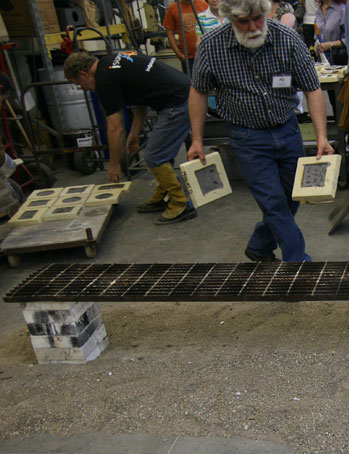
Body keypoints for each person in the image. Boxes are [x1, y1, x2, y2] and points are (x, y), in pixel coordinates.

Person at [187, 0, 333, 262]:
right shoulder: (212, 45)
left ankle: (259, 245)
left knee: (291, 198)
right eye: (244, 22)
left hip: (287, 130)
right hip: (248, 137)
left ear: (267, 13)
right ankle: (298, 263)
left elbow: (312, 88)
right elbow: (198, 91)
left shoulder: (287, 39)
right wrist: (196, 140)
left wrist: (321, 136)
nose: (253, 27)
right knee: (273, 202)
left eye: (258, 19)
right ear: (230, 19)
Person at [64, 51, 197, 225]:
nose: (84, 89)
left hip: (179, 102)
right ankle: (165, 193)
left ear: (83, 74)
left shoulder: (104, 80)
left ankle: (182, 204)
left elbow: (115, 128)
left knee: (155, 156)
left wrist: (113, 164)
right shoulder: (111, 63)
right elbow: (141, 100)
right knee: (161, 153)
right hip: (183, 93)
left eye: (80, 84)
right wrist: (134, 134)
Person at [163, 0, 209, 74]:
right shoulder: (173, 8)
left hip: (205, 54)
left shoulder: (203, 4)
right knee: (191, 83)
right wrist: (178, 53)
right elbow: (169, 32)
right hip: (188, 58)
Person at [314, 0, 347, 65]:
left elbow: (348, 39)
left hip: (338, 60)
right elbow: (316, 36)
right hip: (322, 62)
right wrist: (315, 47)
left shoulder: (342, 10)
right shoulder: (318, 11)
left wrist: (330, 44)